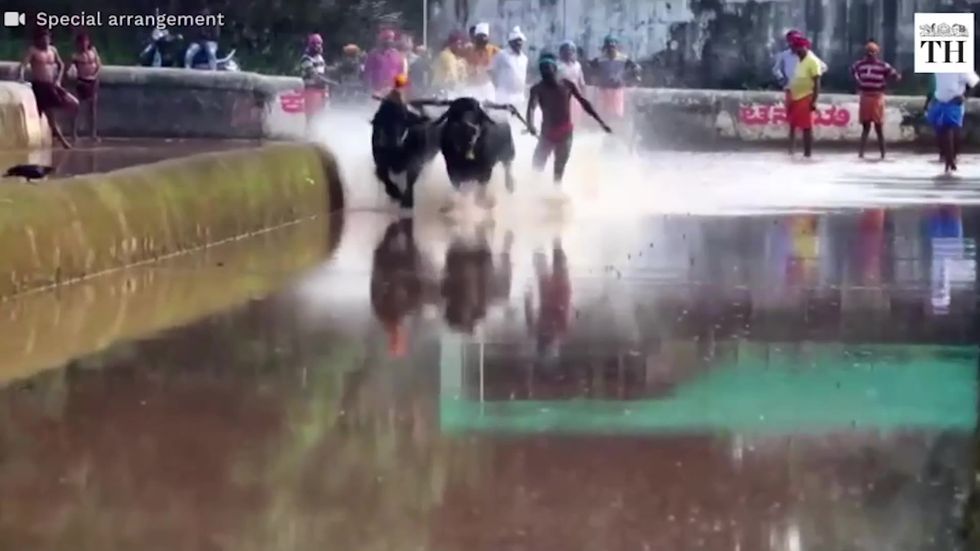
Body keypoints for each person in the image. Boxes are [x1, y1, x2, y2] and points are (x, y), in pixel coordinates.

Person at [526, 53, 612, 185]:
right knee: (537, 165)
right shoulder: (537, 89)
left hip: (564, 132)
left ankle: (555, 193)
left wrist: (600, 122)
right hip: (546, 133)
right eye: (542, 70)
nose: (545, 73)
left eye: (548, 69)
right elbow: (531, 107)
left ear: (554, 69)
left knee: (558, 168)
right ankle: (534, 190)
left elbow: (584, 103)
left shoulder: (567, 85)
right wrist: (530, 124)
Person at [18, 28, 78, 149]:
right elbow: (23, 65)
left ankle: (71, 132)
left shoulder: (53, 50)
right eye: (43, 38)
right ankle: (63, 141)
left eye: (47, 38)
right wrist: (21, 77)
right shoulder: (33, 51)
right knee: (50, 115)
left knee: (74, 103)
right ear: (38, 39)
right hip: (40, 86)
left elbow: (61, 65)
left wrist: (59, 80)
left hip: (53, 84)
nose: (45, 41)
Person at [850, 40, 900, 159]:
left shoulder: (883, 65)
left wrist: (886, 84)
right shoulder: (859, 64)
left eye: (872, 52)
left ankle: (883, 154)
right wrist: (858, 81)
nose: (870, 54)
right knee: (866, 127)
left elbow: (896, 76)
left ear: (877, 53)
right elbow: (852, 71)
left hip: (877, 97)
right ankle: (861, 154)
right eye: (868, 52)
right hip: (865, 97)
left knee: (878, 128)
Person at [926, 70, 979, 173]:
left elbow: (975, 82)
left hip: (954, 102)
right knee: (940, 130)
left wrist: (965, 96)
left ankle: (950, 160)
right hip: (939, 101)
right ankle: (947, 158)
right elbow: (935, 84)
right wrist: (930, 99)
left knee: (949, 127)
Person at [590, 35, 639, 130]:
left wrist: (632, 77)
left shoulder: (623, 58)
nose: (611, 49)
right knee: (604, 111)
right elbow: (591, 67)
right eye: (609, 47)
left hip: (618, 89)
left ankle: (617, 129)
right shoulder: (600, 59)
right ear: (605, 47)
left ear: (617, 47)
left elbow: (635, 67)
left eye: (613, 46)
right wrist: (594, 78)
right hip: (604, 89)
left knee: (617, 112)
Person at [785, 34, 822, 158]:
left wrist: (814, 101)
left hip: (806, 97)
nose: (793, 51)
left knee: (807, 128)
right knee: (793, 125)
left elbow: (817, 83)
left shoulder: (812, 61)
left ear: (801, 47)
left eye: (794, 48)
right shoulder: (800, 60)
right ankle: (791, 152)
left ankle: (807, 155)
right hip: (795, 97)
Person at [772, 29, 828, 107]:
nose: (793, 44)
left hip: (805, 90)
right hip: (790, 87)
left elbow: (823, 67)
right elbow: (776, 69)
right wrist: (781, 78)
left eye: (796, 42)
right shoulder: (784, 55)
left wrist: (810, 76)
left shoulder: (807, 54)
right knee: (791, 112)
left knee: (803, 111)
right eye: (791, 42)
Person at [70, 31, 101, 141]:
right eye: (81, 42)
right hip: (82, 81)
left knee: (92, 109)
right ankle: (74, 133)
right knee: (77, 108)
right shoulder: (76, 56)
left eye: (85, 42)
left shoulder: (93, 51)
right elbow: (69, 69)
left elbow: (98, 64)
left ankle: (93, 134)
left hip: (92, 81)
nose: (84, 44)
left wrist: (96, 76)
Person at [491, 26, 528, 107]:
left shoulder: (524, 58)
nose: (519, 43)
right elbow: (493, 71)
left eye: (520, 41)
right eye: (516, 41)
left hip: (519, 96)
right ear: (511, 42)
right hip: (505, 95)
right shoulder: (502, 54)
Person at [299, 33, 330, 127]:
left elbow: (324, 70)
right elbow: (313, 74)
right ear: (311, 45)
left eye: (320, 44)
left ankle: (320, 130)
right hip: (310, 89)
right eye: (316, 44)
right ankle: (309, 132)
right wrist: (327, 80)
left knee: (322, 111)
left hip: (321, 89)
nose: (319, 46)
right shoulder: (306, 58)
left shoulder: (320, 58)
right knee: (311, 113)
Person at [464, 22, 499, 102]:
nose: (482, 40)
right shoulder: (468, 50)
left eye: (484, 37)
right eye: (480, 38)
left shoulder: (493, 50)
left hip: (487, 86)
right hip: (472, 86)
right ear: (475, 38)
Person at [364, 29, 406, 95]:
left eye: (391, 39)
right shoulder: (373, 54)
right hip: (377, 91)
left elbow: (401, 73)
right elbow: (367, 72)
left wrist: (399, 89)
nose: (389, 41)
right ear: (381, 40)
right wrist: (370, 89)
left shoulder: (397, 55)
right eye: (386, 39)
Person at [557, 40, 587, 123]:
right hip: (562, 97)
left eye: (571, 50)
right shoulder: (557, 65)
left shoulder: (577, 65)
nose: (568, 52)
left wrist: (583, 95)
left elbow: (581, 82)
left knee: (575, 119)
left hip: (575, 97)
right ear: (561, 52)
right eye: (566, 50)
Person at [432, 30, 467, 97]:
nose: (460, 46)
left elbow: (463, 79)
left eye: (462, 44)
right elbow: (452, 80)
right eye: (458, 43)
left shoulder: (460, 59)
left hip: (451, 92)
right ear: (451, 43)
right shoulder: (446, 56)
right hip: (441, 91)